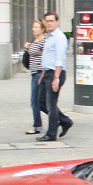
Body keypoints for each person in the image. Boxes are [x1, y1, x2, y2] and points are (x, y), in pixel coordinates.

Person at [36, 12, 73, 142]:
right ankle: (65, 120)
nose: (49, 23)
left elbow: (59, 59)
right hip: (47, 73)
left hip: (55, 73)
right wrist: (43, 73)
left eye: (52, 21)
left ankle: (51, 134)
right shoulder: (49, 37)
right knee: (41, 102)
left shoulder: (59, 37)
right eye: (47, 21)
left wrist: (56, 77)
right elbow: (48, 58)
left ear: (57, 22)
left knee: (51, 105)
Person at [24, 19, 46, 135]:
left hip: (39, 73)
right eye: (33, 27)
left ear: (42, 29)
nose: (33, 29)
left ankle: (37, 126)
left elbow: (44, 58)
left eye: (36, 27)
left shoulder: (43, 42)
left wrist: (43, 73)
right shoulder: (35, 41)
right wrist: (28, 47)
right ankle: (60, 118)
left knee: (35, 101)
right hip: (34, 73)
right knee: (38, 101)